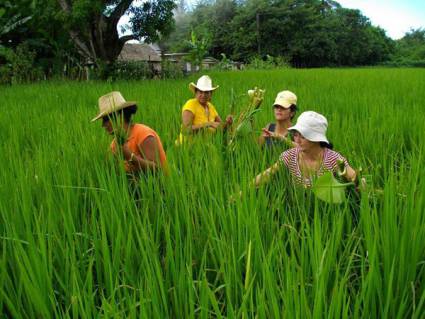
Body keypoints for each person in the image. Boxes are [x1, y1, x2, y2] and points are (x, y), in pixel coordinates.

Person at [254, 111, 357, 188]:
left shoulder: (333, 159)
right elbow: (267, 174)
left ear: (316, 139)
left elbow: (354, 178)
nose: (297, 140)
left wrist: (361, 184)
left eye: (303, 137)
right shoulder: (290, 156)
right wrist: (243, 191)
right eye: (295, 135)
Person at [91, 91, 168, 175]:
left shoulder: (143, 134)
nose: (103, 125)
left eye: (106, 119)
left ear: (120, 116)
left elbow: (157, 170)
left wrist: (129, 156)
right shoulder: (115, 145)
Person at [177, 75, 233, 144]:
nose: (203, 95)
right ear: (196, 93)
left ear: (211, 94)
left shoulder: (210, 107)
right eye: (200, 92)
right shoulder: (191, 104)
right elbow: (185, 130)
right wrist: (209, 124)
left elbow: (221, 127)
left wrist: (228, 123)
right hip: (188, 147)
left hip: (206, 147)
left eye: (206, 92)